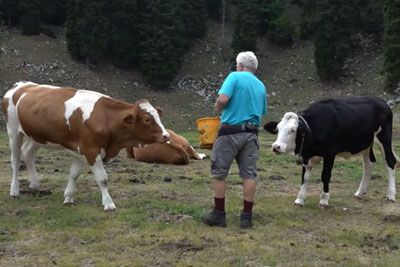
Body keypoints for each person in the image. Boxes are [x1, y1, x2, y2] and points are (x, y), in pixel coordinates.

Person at [203, 51, 267, 229]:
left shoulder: (234, 76)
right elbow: (261, 111)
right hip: (251, 134)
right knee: (249, 174)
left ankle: (219, 215)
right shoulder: (261, 85)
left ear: (239, 66)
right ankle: (246, 218)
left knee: (220, 173)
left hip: (230, 132)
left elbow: (223, 99)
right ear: (254, 68)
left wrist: (218, 107)